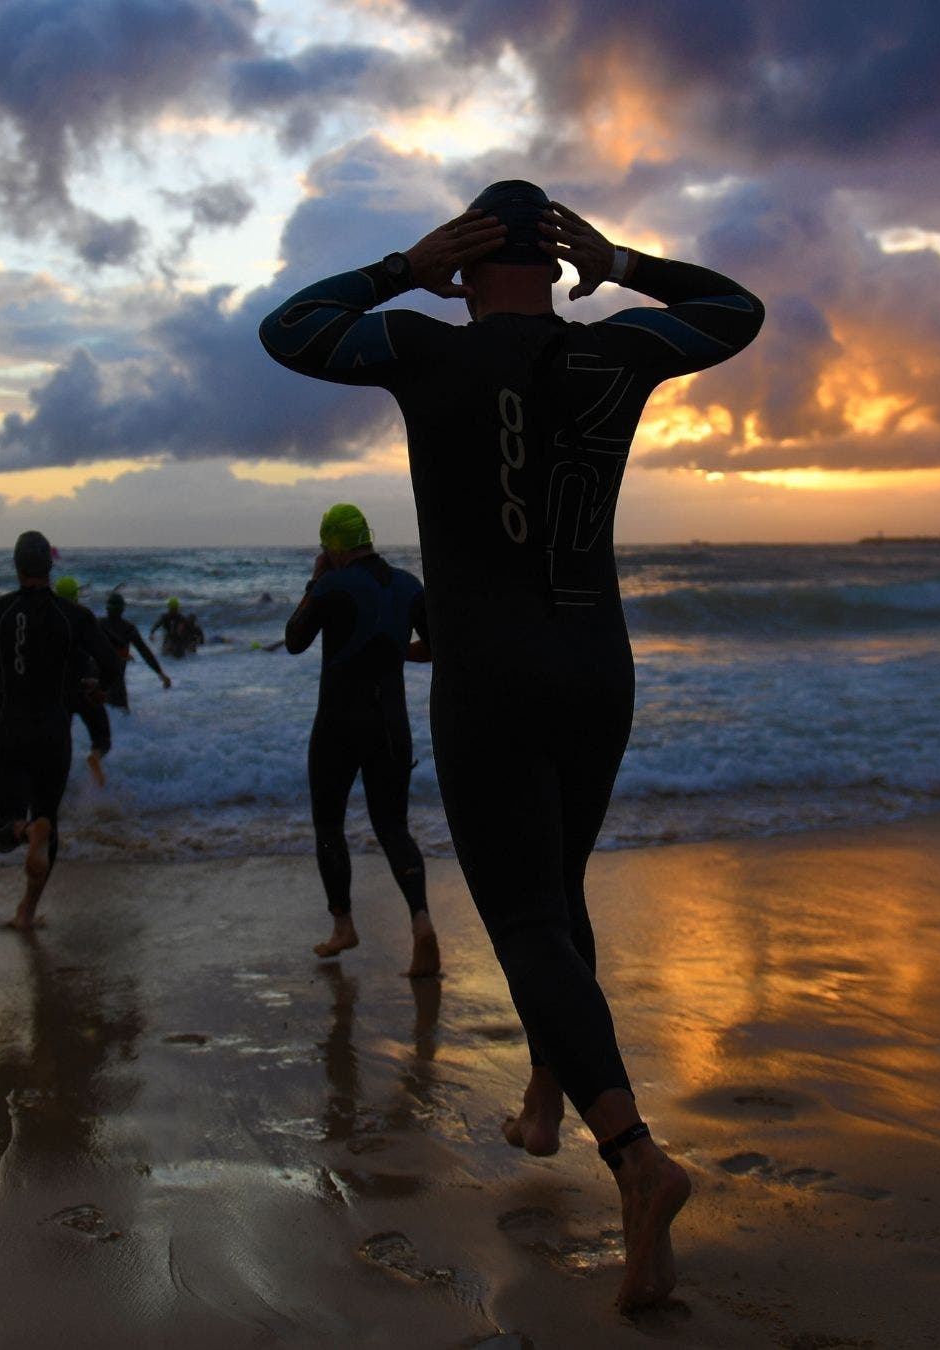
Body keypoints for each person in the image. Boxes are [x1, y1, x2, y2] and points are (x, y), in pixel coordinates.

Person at [257, 179, 763, 1310]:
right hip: (598, 666)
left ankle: (635, 1157)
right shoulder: (622, 349)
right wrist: (624, 261)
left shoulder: (423, 352)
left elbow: (287, 330)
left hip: (490, 676)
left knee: (528, 916)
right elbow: (738, 311)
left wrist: (400, 264)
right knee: (557, 889)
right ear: (559, 259)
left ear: (467, 260)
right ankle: (545, 1098)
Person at [284, 503, 439, 978]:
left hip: (338, 726)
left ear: (333, 545)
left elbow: (294, 639)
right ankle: (421, 922)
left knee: (329, 825)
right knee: (393, 827)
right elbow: (435, 647)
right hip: (391, 726)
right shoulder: (410, 587)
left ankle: (344, 925)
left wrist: (314, 581)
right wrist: (393, 653)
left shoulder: (331, 585)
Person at [0, 531, 118, 929]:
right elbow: (111, 663)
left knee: (2, 828)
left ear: (15, 566)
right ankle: (27, 907)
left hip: (10, 727)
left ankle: (27, 832)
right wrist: (99, 689)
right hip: (55, 733)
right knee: (49, 817)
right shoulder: (74, 615)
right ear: (50, 566)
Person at [52, 576, 126, 787]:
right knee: (103, 738)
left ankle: (60, 788)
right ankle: (95, 757)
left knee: (60, 744)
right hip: (87, 688)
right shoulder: (83, 618)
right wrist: (103, 686)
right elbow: (114, 648)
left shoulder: (48, 621)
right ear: (76, 595)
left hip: (58, 692)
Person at [97, 592, 171, 708]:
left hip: (96, 681)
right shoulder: (128, 628)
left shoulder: (98, 624)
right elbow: (144, 652)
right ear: (123, 609)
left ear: (107, 608)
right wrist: (160, 673)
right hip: (117, 683)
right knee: (122, 716)